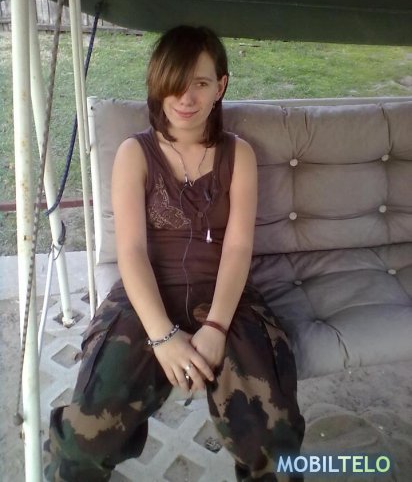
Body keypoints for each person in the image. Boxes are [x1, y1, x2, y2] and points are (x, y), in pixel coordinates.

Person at [44, 25, 305, 481]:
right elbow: (131, 251)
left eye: (200, 82)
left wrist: (216, 327)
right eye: (175, 83)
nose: (186, 98)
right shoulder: (136, 153)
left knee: (273, 445)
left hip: (223, 296)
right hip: (146, 296)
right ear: (157, 84)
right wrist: (163, 338)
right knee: (86, 436)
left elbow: (238, 246)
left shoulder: (238, 155)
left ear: (220, 86)